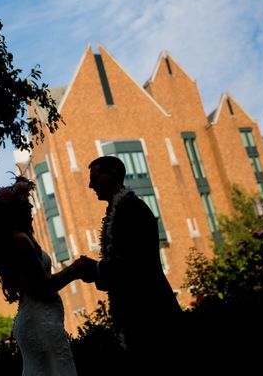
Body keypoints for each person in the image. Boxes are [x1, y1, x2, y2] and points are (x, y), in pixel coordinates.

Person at [76, 156, 183, 373]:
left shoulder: (133, 210)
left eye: (95, 178)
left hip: (152, 319)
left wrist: (96, 269)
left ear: (114, 174)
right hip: (135, 318)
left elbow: (135, 266)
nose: (90, 184)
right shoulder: (117, 212)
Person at [0, 176, 86, 376]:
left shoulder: (18, 240)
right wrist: (76, 268)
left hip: (38, 320)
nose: (30, 208)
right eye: (25, 205)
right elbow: (43, 288)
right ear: (15, 212)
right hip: (40, 323)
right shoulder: (19, 241)